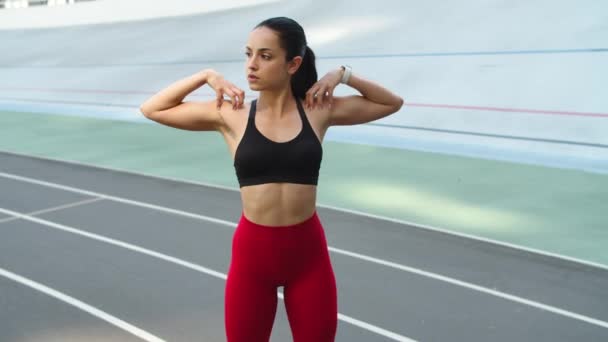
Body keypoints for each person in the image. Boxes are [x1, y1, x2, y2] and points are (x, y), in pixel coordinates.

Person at [140, 16, 403, 342]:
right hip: (253, 260)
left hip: (308, 259)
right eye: (248, 54)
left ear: (293, 64)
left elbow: (391, 103)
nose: (252, 65)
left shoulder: (317, 109)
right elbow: (153, 109)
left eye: (265, 56)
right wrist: (206, 76)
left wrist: (343, 75)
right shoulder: (230, 114)